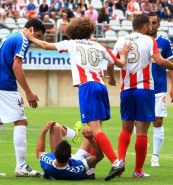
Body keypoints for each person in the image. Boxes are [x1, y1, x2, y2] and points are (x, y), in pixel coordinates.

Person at [21, 17, 131, 181]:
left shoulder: (71, 44)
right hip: (101, 87)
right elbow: (121, 63)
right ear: (89, 31)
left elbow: (45, 45)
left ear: (73, 31)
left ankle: (116, 162)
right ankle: (90, 170)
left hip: (87, 87)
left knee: (96, 130)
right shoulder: (99, 45)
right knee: (95, 128)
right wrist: (123, 54)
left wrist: (30, 38)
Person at [107, 15, 173, 178]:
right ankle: (138, 171)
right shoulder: (149, 41)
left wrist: (112, 78)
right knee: (142, 132)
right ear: (145, 27)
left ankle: (121, 162)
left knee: (126, 129)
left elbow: (110, 63)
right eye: (149, 25)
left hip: (126, 91)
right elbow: (160, 61)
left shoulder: (121, 40)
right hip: (145, 89)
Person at [0, 18, 46, 177]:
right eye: (37, 35)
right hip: (4, 84)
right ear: (31, 29)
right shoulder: (23, 39)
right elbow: (16, 67)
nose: (36, 39)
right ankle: (21, 167)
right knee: (21, 121)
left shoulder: (10, 37)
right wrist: (28, 92)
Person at [148, 12, 173, 167]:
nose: (152, 25)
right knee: (136, 121)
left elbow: (171, 65)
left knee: (158, 121)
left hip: (159, 88)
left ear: (158, 24)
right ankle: (143, 143)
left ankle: (155, 156)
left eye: (155, 22)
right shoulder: (141, 41)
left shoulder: (164, 42)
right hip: (142, 87)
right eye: (150, 22)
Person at [37, 121, 104, 180]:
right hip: (79, 159)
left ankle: (74, 134)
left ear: (54, 153)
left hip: (62, 164)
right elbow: (99, 156)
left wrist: (43, 132)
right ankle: (114, 162)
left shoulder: (48, 162)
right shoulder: (77, 168)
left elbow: (39, 152)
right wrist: (91, 139)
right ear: (70, 156)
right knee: (93, 128)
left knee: (55, 126)